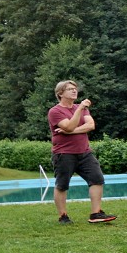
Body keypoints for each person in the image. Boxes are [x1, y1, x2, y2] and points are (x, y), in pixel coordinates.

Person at [48, 80, 116, 225]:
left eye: (75, 88)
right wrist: (79, 110)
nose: (74, 91)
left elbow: (90, 125)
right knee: (62, 185)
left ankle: (96, 214)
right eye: (70, 89)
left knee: (97, 179)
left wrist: (70, 132)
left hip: (85, 152)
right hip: (64, 153)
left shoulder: (81, 108)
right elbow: (68, 125)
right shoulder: (55, 111)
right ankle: (63, 216)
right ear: (60, 93)